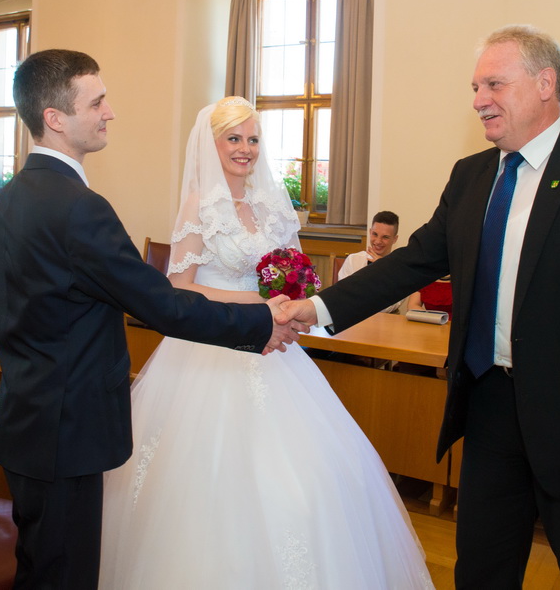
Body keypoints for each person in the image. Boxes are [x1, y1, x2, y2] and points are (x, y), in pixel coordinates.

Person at [281, 25, 560, 589]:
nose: (478, 100)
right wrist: (315, 309)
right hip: (490, 409)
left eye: (494, 84)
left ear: (545, 83)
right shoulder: (472, 174)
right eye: (476, 86)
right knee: (480, 572)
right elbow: (413, 263)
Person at [0, 51, 302, 589]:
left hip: (30, 414)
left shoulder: (14, 194)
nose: (110, 112)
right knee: (63, 574)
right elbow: (161, 303)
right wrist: (260, 324)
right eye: (97, 101)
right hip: (69, 426)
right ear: (56, 118)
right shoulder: (79, 206)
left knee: (41, 565)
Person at [98, 97, 434, 589]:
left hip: (274, 349)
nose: (245, 149)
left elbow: (293, 270)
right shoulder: (199, 206)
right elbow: (179, 287)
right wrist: (254, 304)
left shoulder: (271, 204)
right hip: (210, 349)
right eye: (234, 138)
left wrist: (291, 294)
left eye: (253, 139)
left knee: (310, 479)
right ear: (211, 146)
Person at [338, 210, 403, 312]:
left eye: (385, 237)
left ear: (395, 239)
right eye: (375, 234)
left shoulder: (400, 269)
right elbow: (343, 295)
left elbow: (389, 306)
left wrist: (383, 268)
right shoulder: (353, 260)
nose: (378, 241)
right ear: (369, 232)